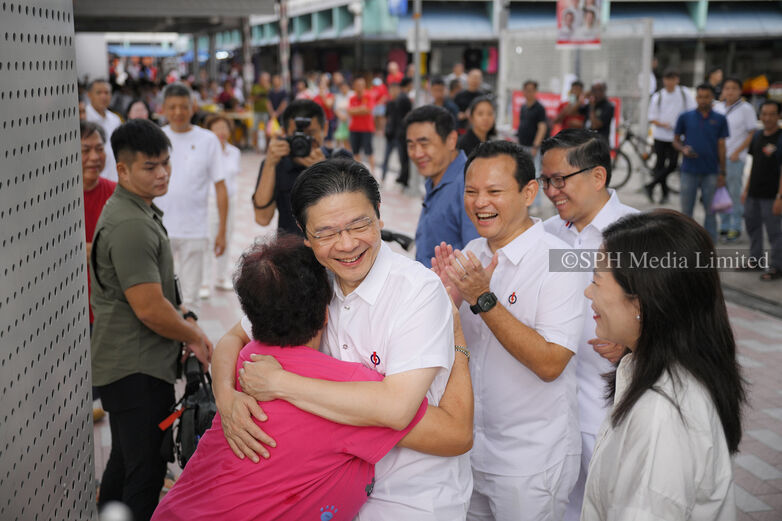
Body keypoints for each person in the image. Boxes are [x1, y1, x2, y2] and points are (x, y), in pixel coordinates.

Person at [212, 158, 474, 520]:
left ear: (379, 214)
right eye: (327, 233)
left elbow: (396, 410)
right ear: (305, 235)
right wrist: (226, 398)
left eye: (359, 224)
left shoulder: (417, 291)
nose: (347, 245)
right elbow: (231, 340)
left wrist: (279, 382)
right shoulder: (312, 277)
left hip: (412, 496)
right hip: (332, 489)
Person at [151, 236, 434, 521]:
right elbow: (456, 435)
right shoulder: (350, 385)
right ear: (326, 313)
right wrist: (455, 334)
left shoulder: (247, 360)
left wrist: (225, 392)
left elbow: (231, 339)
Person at [432, 141, 584, 521]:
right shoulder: (473, 251)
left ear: (529, 192)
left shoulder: (560, 259)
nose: (480, 202)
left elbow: (551, 363)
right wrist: (443, 302)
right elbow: (453, 344)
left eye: (494, 191)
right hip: (469, 449)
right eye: (471, 192)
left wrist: (482, 298)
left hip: (530, 459)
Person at [581, 209, 745, 521]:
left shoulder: (660, 415)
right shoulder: (657, 369)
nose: (588, 293)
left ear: (640, 301)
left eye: (597, 281)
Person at [91, 119, 213, 521]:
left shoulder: (135, 210)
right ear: (122, 169)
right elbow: (148, 307)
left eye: (165, 163)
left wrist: (183, 319)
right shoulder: (130, 224)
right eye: (149, 166)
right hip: (136, 368)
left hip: (131, 364)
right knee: (145, 473)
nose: (162, 173)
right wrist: (193, 334)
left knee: (125, 461)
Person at [539, 129, 638, 521]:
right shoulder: (546, 236)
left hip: (613, 406)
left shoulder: (637, 234)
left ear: (598, 177)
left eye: (560, 180)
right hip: (556, 407)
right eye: (545, 180)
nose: (551, 191)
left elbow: (675, 313)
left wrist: (634, 343)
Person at [155, 83, 229, 314]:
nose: (178, 112)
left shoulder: (208, 140)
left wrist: (222, 231)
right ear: (163, 109)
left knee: (191, 297)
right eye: (172, 107)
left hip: (195, 229)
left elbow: (220, 187)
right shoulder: (156, 137)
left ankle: (190, 346)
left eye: (183, 107)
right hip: (159, 228)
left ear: (193, 107)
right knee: (160, 293)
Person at [252, 99, 350, 236]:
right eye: (297, 135)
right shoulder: (276, 164)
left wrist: (324, 171)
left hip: (333, 252)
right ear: (284, 132)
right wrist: (270, 163)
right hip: (290, 254)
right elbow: (262, 218)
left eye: (311, 134)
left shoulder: (341, 160)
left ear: (325, 129)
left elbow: (352, 214)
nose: (305, 141)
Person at [405, 105, 479, 267]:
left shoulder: (470, 186)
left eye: (424, 144)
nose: (417, 153)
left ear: (451, 140)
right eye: (411, 145)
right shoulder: (435, 180)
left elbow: (476, 257)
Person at [674, 83, 729, 241]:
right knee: (686, 211)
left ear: (712, 98)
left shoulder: (720, 119)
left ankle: (710, 243)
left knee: (710, 211)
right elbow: (676, 141)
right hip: (688, 170)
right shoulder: (685, 117)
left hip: (711, 171)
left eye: (706, 97)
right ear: (696, 97)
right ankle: (686, 242)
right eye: (699, 96)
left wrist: (722, 172)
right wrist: (683, 149)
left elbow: (722, 146)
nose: (703, 100)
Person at [743, 100, 782, 281]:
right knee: (753, 227)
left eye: (771, 114)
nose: (767, 118)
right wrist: (746, 189)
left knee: (775, 232)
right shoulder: (757, 136)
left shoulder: (781, 138)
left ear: (778, 116)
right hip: (753, 193)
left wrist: (779, 197)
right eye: (764, 114)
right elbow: (754, 165)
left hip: (772, 195)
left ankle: (776, 266)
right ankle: (755, 260)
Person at [201, 115, 241, 292]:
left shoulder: (234, 152)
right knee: (209, 238)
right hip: (210, 201)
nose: (221, 132)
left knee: (227, 236)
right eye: (216, 128)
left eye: (224, 127)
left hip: (230, 201)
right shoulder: (206, 152)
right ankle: (204, 281)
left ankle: (221, 277)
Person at [715, 77, 757, 242]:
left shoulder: (746, 109)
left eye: (733, 88)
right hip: (719, 158)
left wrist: (738, 151)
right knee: (720, 193)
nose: (730, 91)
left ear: (740, 90)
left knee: (734, 193)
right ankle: (724, 226)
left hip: (735, 158)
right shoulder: (718, 108)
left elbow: (751, 132)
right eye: (727, 88)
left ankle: (736, 227)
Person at [644, 69, 696, 203]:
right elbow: (651, 117)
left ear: (677, 80)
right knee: (660, 164)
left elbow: (692, 111)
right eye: (667, 79)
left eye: (672, 79)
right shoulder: (659, 96)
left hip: (677, 137)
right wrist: (662, 124)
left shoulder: (684, 94)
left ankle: (651, 185)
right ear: (664, 80)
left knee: (672, 164)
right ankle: (664, 194)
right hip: (660, 135)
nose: (670, 82)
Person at [85, 78, 121, 182]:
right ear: (89, 95)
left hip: (114, 179)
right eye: (99, 93)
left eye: (107, 93)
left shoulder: (115, 119)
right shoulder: (84, 118)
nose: (103, 96)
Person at [382, 78, 413, 183]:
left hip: (399, 133)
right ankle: (385, 177)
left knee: (402, 157)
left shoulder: (401, 99)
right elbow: (388, 118)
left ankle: (403, 177)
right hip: (393, 133)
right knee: (390, 157)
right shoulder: (393, 102)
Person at [516, 80, 549, 164]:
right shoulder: (523, 107)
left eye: (531, 90)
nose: (528, 93)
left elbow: (542, 128)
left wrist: (535, 146)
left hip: (533, 147)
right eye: (526, 90)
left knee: (535, 171)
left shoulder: (539, 108)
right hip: (522, 145)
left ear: (535, 91)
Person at [348, 77, 376, 172]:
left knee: (369, 152)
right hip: (354, 128)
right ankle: (359, 171)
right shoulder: (352, 98)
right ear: (354, 86)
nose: (360, 87)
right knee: (355, 152)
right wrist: (361, 109)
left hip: (367, 128)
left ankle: (373, 172)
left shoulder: (369, 96)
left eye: (362, 85)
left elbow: (368, 110)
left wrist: (357, 110)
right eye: (358, 85)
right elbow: (350, 111)